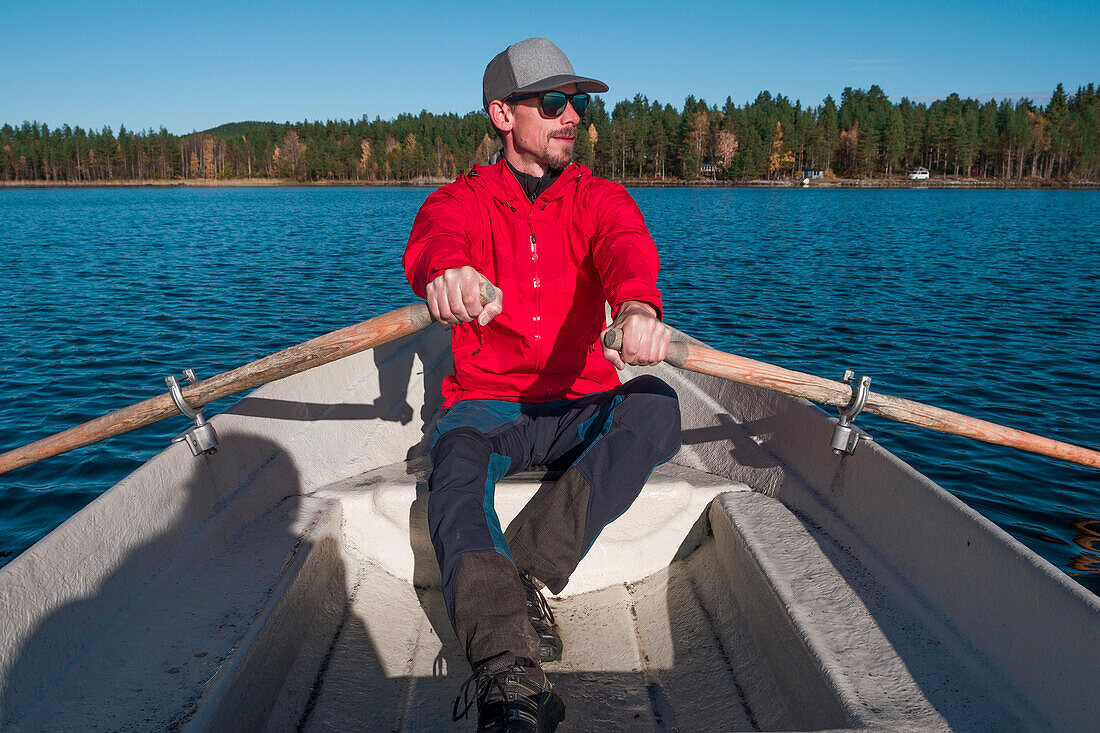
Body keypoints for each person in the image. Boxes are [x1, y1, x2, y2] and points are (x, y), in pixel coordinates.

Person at [403, 37, 681, 733]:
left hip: (582, 399)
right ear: (502, 113)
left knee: (654, 406)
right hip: (490, 404)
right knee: (456, 464)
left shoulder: (598, 198)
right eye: (553, 102)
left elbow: (624, 247)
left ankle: (518, 567)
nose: (573, 117)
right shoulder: (461, 202)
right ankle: (510, 677)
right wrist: (449, 273)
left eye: (578, 103)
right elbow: (436, 242)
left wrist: (639, 306)